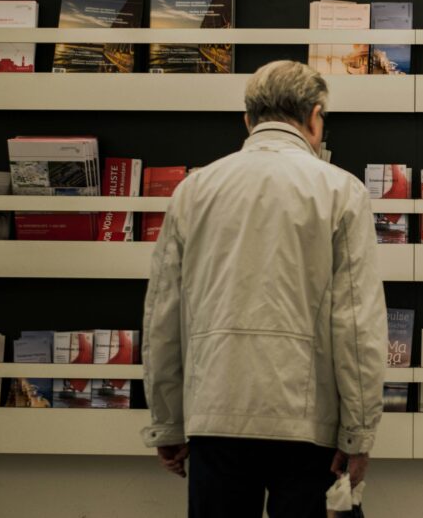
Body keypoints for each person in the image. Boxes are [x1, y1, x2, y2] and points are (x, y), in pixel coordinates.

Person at [141, 60, 387, 517]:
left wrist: (168, 422)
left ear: (248, 119)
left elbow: (163, 317)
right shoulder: (341, 191)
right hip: (308, 424)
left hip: (215, 416)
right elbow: (357, 326)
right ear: (315, 116)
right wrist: (358, 433)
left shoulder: (193, 190)